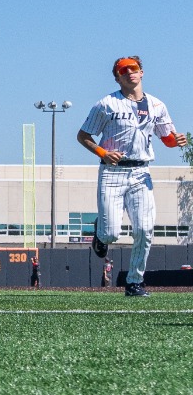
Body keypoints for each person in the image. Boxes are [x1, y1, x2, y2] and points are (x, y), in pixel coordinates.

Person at [77, 56, 180, 298]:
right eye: (123, 71)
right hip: (112, 172)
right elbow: (83, 136)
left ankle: (134, 282)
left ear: (142, 72)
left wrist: (177, 141)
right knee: (112, 232)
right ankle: (100, 232)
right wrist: (102, 151)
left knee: (144, 229)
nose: (129, 73)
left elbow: (167, 138)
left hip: (141, 172)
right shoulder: (106, 104)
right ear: (117, 77)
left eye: (133, 69)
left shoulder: (157, 105)